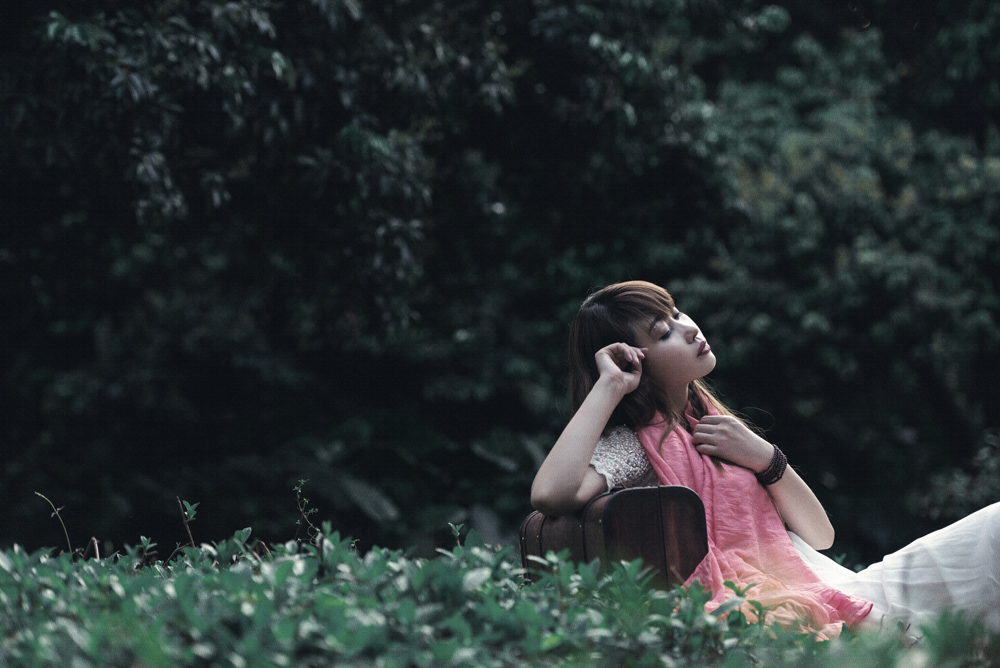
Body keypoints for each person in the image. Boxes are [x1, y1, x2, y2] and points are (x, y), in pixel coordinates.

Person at [530, 280, 1000, 639]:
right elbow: (550, 494)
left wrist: (765, 456)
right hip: (784, 607)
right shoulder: (638, 446)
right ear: (635, 360)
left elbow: (820, 536)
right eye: (664, 331)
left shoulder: (715, 426)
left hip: (831, 587)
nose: (689, 327)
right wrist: (610, 386)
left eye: (676, 312)